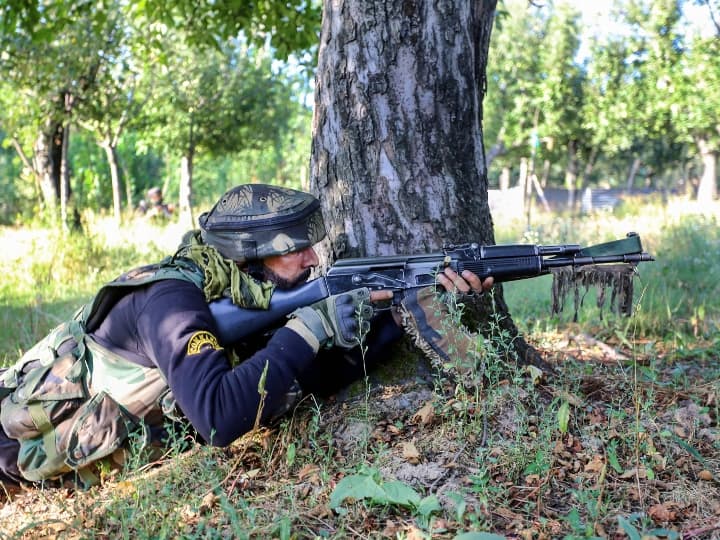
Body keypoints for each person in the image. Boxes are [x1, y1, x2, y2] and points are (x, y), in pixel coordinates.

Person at [0, 184, 492, 489]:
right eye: (296, 249)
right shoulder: (171, 306)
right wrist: (310, 326)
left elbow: (298, 377)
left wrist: (412, 302)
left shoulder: (242, 293)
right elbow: (218, 419)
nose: (314, 259)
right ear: (249, 253)